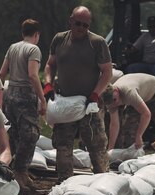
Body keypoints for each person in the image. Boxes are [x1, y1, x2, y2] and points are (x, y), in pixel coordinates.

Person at [43, 6, 112, 183]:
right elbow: (50, 64)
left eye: (86, 25)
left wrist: (96, 94)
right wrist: (48, 84)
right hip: (65, 103)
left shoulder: (97, 42)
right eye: (78, 23)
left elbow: (107, 72)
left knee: (96, 146)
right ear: (71, 21)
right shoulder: (59, 39)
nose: (81, 28)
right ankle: (65, 183)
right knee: (63, 146)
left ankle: (103, 182)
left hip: (89, 104)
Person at [0, 19, 46, 194]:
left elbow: (2, 73)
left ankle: (15, 172)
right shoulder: (33, 49)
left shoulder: (13, 47)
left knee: (14, 134)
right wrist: (42, 98)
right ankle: (20, 171)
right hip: (25, 95)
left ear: (22, 32)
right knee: (30, 135)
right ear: (37, 34)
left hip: (10, 94)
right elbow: (33, 75)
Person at [102, 73, 155, 150]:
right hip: (136, 99)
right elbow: (114, 124)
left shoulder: (129, 92)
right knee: (129, 134)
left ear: (116, 90)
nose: (114, 104)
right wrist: (110, 148)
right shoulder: (109, 99)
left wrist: (139, 136)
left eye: (115, 100)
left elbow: (146, 114)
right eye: (111, 103)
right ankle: (132, 155)